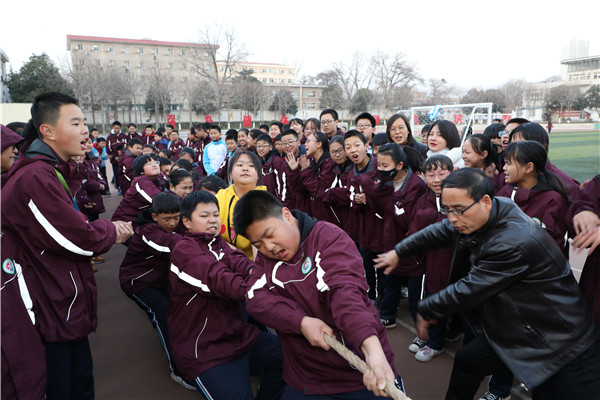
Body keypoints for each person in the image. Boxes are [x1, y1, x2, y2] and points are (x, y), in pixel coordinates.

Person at [375, 168, 600, 400]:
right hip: (520, 328)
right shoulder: (492, 210)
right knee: (467, 361)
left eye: (458, 210)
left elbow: (470, 288)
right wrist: (399, 251)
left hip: (563, 343)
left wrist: (427, 307)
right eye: (447, 209)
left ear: (484, 201)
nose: (452, 218)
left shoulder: (513, 241)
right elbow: (439, 230)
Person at [1, 92, 133, 399]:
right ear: (47, 131)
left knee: (80, 382)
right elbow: (74, 238)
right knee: (66, 387)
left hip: (63, 300)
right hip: (51, 304)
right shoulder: (34, 176)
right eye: (75, 123)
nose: (85, 130)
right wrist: (111, 230)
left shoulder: (48, 170)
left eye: (84, 122)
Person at [233, 190, 406, 398]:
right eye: (258, 244)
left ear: (287, 216)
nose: (269, 247)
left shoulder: (327, 238)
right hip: (304, 378)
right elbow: (255, 298)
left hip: (357, 373)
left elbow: (346, 295)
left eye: (269, 234)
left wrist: (373, 351)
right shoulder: (266, 259)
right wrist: (301, 322)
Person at [168, 191, 285, 398]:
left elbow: (240, 262)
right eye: (204, 216)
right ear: (186, 222)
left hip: (238, 335)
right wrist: (259, 288)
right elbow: (219, 279)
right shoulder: (184, 250)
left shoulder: (217, 243)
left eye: (216, 214)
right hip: (205, 348)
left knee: (287, 357)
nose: (213, 220)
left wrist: (259, 273)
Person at [118, 192, 194, 390]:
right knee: (163, 313)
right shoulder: (147, 232)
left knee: (177, 311)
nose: (172, 223)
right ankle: (177, 370)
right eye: (166, 219)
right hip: (137, 282)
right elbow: (173, 245)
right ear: (154, 216)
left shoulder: (178, 224)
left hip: (160, 280)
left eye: (176, 217)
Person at [361, 143, 427, 331]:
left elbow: (408, 220)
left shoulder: (416, 185)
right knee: (389, 280)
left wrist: (389, 201)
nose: (380, 170)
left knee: (414, 290)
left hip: (411, 243)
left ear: (399, 165)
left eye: (385, 166)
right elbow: (379, 211)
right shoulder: (381, 182)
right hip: (389, 237)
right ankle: (387, 315)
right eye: (379, 165)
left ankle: (423, 330)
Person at [215, 151, 266, 260]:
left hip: (255, 262)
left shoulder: (265, 200)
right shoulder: (219, 198)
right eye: (240, 165)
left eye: (251, 166)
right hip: (224, 257)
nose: (245, 169)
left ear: (258, 175)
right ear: (230, 174)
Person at [112, 154, 164, 226]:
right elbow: (159, 200)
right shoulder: (140, 181)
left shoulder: (157, 179)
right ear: (141, 171)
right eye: (149, 164)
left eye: (156, 162)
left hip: (140, 221)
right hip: (125, 223)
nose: (154, 165)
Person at [298, 131, 337, 223]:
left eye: (308, 141)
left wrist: (305, 170)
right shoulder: (312, 163)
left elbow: (320, 190)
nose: (305, 144)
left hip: (329, 216)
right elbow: (300, 189)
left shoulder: (329, 163)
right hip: (316, 213)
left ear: (319, 144)